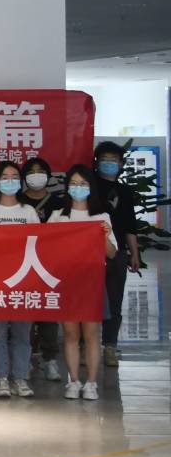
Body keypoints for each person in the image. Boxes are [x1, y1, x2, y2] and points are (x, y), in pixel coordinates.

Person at [49, 165, 118, 401]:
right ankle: (73, 381)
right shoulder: (58, 216)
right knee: (70, 334)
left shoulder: (101, 217)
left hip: (92, 284)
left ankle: (91, 383)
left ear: (91, 187)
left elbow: (111, 253)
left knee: (91, 335)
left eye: (83, 184)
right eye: (74, 183)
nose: (78, 188)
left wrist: (104, 234)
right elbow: (46, 248)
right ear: (67, 187)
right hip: (67, 282)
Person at [0, 161, 40, 398]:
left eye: (15, 177)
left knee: (23, 333)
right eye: (5, 177)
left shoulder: (28, 211)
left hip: (24, 281)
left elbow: (41, 243)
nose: (10, 181)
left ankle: (21, 377)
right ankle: (1, 377)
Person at [93, 141, 141, 367]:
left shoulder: (125, 191)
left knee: (114, 300)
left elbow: (130, 226)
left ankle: (110, 346)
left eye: (113, 160)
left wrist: (134, 254)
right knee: (87, 298)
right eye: (104, 159)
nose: (108, 163)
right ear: (96, 162)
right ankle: (85, 346)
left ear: (121, 164)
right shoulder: (89, 185)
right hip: (89, 251)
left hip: (118, 251)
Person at [23, 157, 64, 382]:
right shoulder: (17, 201)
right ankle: (27, 358)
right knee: (25, 312)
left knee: (48, 312)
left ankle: (50, 360)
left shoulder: (59, 203)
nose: (36, 175)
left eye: (40, 171)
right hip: (22, 265)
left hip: (50, 264)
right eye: (31, 171)